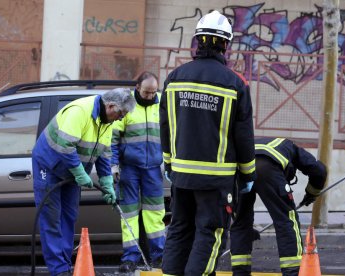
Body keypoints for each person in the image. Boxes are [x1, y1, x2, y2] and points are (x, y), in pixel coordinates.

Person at [159, 10, 256, 275]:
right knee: (209, 234)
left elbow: (165, 126)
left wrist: (168, 163)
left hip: (181, 176)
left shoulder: (174, 78)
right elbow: (244, 135)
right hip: (216, 180)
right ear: (226, 44)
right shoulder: (236, 84)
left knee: (179, 230)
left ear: (198, 40)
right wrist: (248, 175)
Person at [32, 88, 136, 276]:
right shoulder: (80, 111)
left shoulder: (106, 120)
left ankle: (65, 265)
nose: (121, 118)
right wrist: (80, 172)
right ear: (110, 105)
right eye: (121, 113)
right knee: (52, 219)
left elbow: (104, 152)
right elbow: (64, 145)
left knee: (69, 217)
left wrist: (106, 183)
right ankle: (59, 270)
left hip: (72, 170)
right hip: (49, 165)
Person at [230, 137, 328, 276]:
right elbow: (319, 171)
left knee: (240, 223)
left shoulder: (261, 143)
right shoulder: (292, 148)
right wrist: (311, 193)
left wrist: (247, 231)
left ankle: (240, 272)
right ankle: (292, 271)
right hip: (267, 168)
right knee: (286, 219)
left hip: (240, 169)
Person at [111, 71, 166, 272]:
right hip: (130, 169)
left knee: (155, 214)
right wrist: (114, 165)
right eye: (146, 92)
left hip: (153, 169)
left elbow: (169, 135)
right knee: (130, 214)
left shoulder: (161, 105)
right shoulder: (127, 106)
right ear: (137, 88)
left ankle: (159, 256)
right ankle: (130, 258)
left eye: (153, 92)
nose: (150, 96)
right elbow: (114, 139)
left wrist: (167, 163)